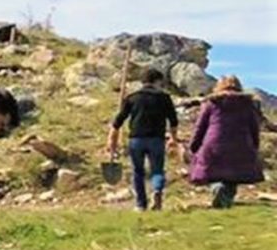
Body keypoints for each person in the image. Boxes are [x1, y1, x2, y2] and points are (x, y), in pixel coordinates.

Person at [187, 76, 266, 209]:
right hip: (241, 145)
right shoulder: (247, 104)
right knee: (234, 176)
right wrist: (254, 145)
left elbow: (200, 127)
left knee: (214, 174)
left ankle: (218, 189)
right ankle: (225, 199)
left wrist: (194, 145)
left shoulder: (212, 103)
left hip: (214, 143)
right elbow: (254, 127)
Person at [109, 69, 180, 211]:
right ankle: (157, 190)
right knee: (157, 170)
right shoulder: (164, 98)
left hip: (136, 140)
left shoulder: (132, 98)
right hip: (157, 139)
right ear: (157, 81)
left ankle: (141, 204)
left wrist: (112, 142)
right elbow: (173, 121)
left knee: (138, 172)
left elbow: (117, 122)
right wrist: (173, 138)